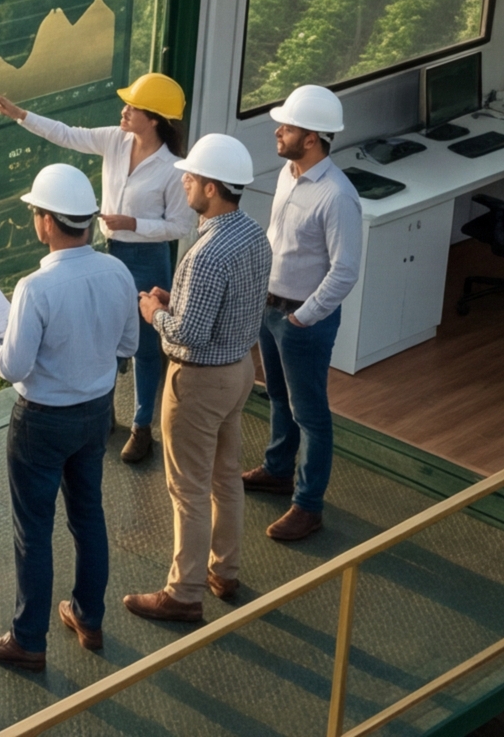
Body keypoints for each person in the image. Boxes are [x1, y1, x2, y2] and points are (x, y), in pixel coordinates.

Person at [0, 164, 141, 670]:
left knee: (34, 529)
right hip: (96, 414)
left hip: (41, 422)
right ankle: (88, 617)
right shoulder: (117, 271)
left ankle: (28, 640)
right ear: (86, 220)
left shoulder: (34, 288)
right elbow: (129, 344)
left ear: (46, 222)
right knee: (88, 515)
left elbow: (14, 366)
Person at [0, 72, 195, 464]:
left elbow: (180, 227)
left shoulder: (174, 168)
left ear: (153, 119)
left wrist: (133, 224)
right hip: (109, 250)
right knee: (103, 329)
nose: (124, 110)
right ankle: (103, 407)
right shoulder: (115, 140)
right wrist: (21, 115)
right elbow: (68, 134)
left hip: (148, 257)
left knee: (147, 349)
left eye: (132, 107)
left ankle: (141, 426)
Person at [123, 134, 273, 624]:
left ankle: (184, 593)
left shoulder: (205, 254)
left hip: (200, 384)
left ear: (211, 188)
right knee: (225, 477)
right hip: (240, 374)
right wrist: (177, 303)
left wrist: (153, 312)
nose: (183, 181)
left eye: (190, 177)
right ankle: (224, 570)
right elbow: (228, 309)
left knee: (187, 490)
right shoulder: (252, 235)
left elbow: (185, 335)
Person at [246, 83, 363, 543]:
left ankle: (307, 505)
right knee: (277, 395)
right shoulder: (288, 175)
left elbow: (345, 271)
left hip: (300, 321)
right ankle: (278, 470)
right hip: (271, 309)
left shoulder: (337, 195)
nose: (278, 131)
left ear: (311, 137)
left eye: (287, 126)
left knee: (310, 412)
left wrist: (302, 317)